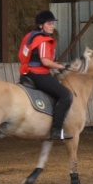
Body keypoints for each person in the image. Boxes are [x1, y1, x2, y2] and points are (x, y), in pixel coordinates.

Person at [19, 10, 73, 140]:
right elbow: (45, 61)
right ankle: (56, 130)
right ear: (40, 25)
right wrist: (61, 66)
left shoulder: (30, 36)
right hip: (38, 73)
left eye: (53, 23)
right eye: (49, 23)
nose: (52, 26)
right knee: (66, 95)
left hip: (27, 71)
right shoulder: (43, 40)